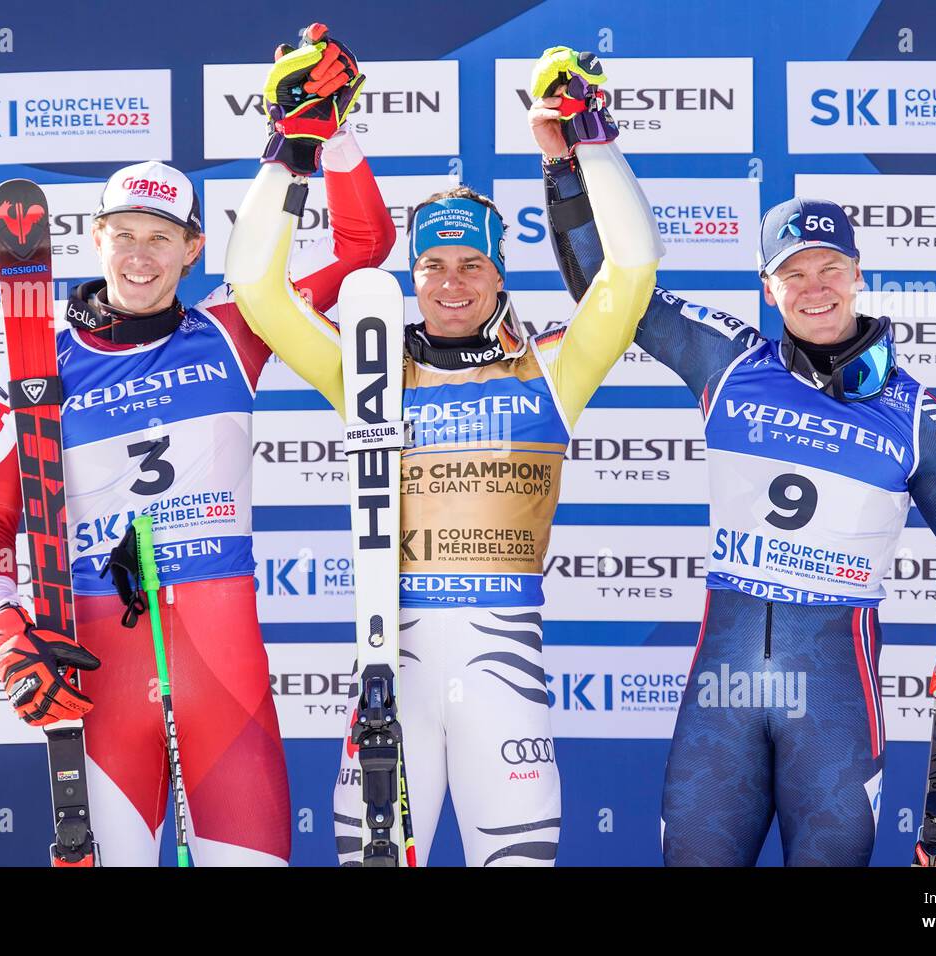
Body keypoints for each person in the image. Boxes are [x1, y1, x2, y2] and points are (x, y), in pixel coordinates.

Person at [226, 40, 661, 866]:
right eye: (432, 265)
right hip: (391, 671)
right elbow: (256, 288)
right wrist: (296, 145)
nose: (452, 284)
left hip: (507, 679)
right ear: (412, 275)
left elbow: (632, 270)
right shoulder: (370, 368)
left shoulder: (554, 368)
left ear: (499, 275)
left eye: (473, 265)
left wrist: (591, 136)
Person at [0, 57, 395, 865]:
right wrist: (2, 620)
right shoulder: (33, 370)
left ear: (193, 248)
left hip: (223, 672)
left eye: (161, 238)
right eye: (123, 235)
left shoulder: (237, 330)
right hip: (100, 668)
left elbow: (368, 245)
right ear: (97, 239)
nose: (139, 255)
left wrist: (325, 134)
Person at [543, 181, 936, 865]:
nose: (816, 288)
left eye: (830, 268)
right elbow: (606, 294)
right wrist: (565, 166)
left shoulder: (918, 417)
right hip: (723, 695)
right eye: (793, 273)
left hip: (833, 699)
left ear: (859, 274)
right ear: (767, 287)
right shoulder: (728, 360)